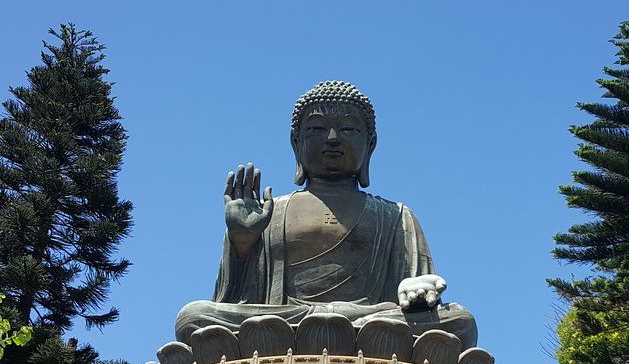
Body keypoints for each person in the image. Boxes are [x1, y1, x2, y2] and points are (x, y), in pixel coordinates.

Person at [175, 82, 478, 350]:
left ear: (369, 145)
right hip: (284, 321)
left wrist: (417, 292)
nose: (332, 138)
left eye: (348, 129)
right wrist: (243, 239)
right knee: (194, 316)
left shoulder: (396, 216)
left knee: (459, 320)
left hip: (372, 319)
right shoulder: (271, 211)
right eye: (317, 129)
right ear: (297, 144)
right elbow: (232, 300)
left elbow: (419, 294)